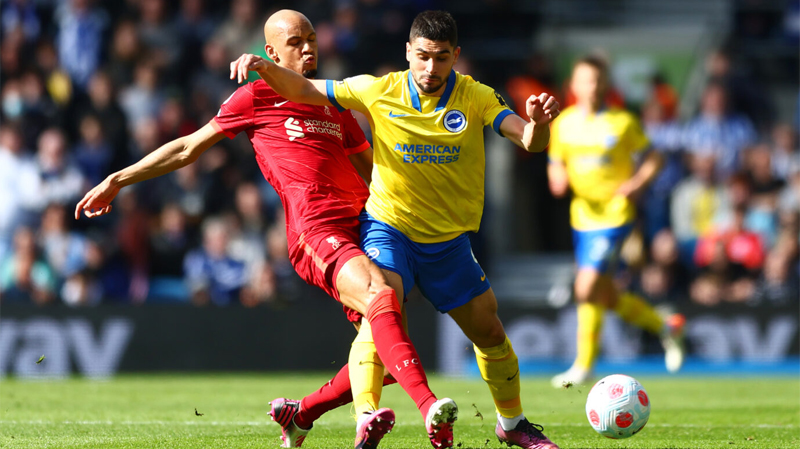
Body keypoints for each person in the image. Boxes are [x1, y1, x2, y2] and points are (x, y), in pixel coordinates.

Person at [76, 10, 454, 449]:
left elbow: (373, 170)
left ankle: (301, 415)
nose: (309, 47)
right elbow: (187, 148)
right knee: (381, 299)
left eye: (312, 38)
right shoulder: (255, 97)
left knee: (385, 353)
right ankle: (427, 409)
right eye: (296, 41)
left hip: (366, 228)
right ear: (270, 53)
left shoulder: (334, 102)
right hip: (316, 229)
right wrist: (116, 180)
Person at [230, 10, 561, 449]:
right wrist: (264, 66)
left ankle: (513, 424)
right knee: (377, 310)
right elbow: (305, 88)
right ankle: (366, 417)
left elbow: (527, 139)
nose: (430, 68)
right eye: (422, 56)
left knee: (489, 332)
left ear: (455, 57)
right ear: (408, 52)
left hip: (447, 242)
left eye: (441, 58)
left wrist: (538, 124)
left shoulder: (477, 96)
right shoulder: (377, 89)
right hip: (389, 229)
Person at [546, 56, 686, 388]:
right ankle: (667, 327)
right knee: (604, 295)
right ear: (574, 86)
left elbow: (655, 157)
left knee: (587, 285)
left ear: (606, 85)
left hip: (615, 215)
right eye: (585, 81)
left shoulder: (622, 122)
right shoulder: (563, 124)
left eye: (597, 81)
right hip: (582, 216)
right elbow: (555, 160)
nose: (592, 87)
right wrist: (557, 177)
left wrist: (635, 185)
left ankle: (583, 365)